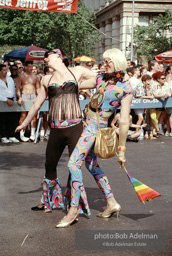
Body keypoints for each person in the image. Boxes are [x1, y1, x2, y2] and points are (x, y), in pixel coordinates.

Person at [55, 48, 133, 228]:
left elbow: (124, 121)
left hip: (94, 129)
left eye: (108, 62)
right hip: (84, 125)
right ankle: (111, 202)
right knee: (91, 165)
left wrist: (121, 151)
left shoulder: (125, 89)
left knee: (73, 164)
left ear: (117, 62)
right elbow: (76, 83)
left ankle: (73, 210)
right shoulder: (101, 79)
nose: (103, 64)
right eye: (103, 61)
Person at [15, 48, 97, 215]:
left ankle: (74, 204)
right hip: (56, 129)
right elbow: (37, 104)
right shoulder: (46, 78)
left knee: (75, 167)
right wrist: (24, 123)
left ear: (59, 56)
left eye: (48, 55)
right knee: (49, 164)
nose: (45, 59)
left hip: (75, 127)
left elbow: (96, 80)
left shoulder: (77, 71)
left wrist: (79, 85)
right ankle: (48, 201)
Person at [16, 60, 41, 142]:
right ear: (25, 67)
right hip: (25, 95)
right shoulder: (21, 76)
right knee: (23, 115)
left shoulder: (35, 77)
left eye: (31, 66)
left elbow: (38, 88)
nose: (30, 68)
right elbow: (18, 88)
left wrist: (37, 98)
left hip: (33, 96)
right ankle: (22, 135)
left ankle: (32, 134)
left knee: (34, 116)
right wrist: (19, 97)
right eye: (29, 67)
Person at [0, 64, 19, 143]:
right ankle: (4, 136)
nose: (5, 72)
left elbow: (13, 90)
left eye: (6, 70)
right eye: (3, 70)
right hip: (2, 101)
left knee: (13, 119)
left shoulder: (10, 79)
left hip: (11, 100)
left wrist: (14, 100)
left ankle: (11, 135)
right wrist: (6, 100)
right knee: (2, 119)